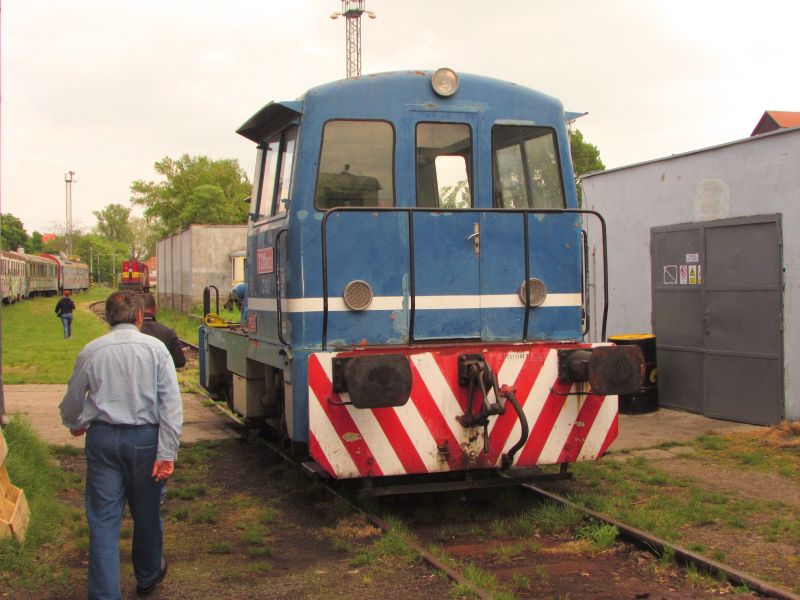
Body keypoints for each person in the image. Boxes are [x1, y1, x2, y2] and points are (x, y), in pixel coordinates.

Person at [59, 291, 183, 599]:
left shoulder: (92, 351)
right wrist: (167, 452)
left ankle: (104, 594)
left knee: (102, 519)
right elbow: (170, 405)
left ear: (108, 317)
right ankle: (148, 575)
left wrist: (76, 423)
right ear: (140, 316)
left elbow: (73, 400)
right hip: (145, 441)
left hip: (102, 440)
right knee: (147, 512)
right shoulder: (156, 350)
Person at [140, 292, 186, 369]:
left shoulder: (131, 334)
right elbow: (180, 362)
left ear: (137, 312)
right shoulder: (168, 333)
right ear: (155, 309)